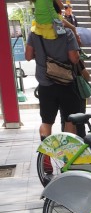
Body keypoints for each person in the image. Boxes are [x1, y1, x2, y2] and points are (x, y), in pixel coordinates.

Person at [25, 27, 83, 172]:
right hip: (65, 83)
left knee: (46, 122)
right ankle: (68, 160)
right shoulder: (66, 32)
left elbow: (28, 56)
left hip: (45, 84)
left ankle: (46, 158)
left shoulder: (35, 32)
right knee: (69, 121)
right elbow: (73, 58)